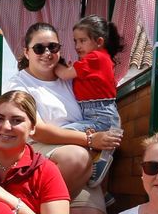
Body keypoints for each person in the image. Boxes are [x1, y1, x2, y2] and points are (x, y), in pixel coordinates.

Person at [6, 22, 123, 214]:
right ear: (26, 52)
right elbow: (37, 130)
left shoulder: (69, 79)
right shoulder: (19, 84)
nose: (47, 53)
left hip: (78, 164)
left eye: (53, 47)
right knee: (76, 157)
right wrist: (90, 140)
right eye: (39, 48)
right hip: (44, 153)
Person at [52, 14, 123, 188]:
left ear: (99, 41)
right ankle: (102, 188)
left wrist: (54, 62)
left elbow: (64, 74)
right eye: (75, 41)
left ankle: (103, 153)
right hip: (99, 113)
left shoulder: (95, 58)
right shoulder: (99, 58)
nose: (77, 46)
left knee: (62, 133)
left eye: (82, 41)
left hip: (99, 116)